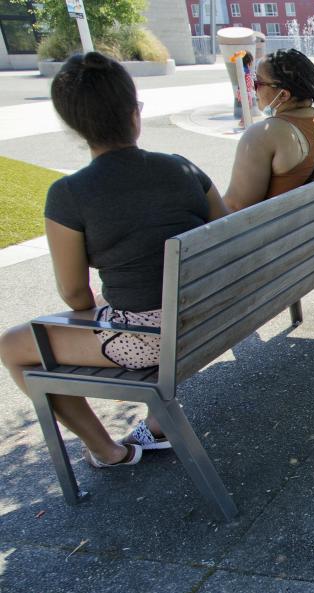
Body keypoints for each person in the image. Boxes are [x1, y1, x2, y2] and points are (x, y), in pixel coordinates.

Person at [0, 52, 227, 468]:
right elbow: (228, 237)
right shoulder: (183, 168)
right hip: (212, 316)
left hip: (150, 342)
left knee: (13, 347)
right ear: (133, 114)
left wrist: (105, 314)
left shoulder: (69, 194)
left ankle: (108, 452)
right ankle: (157, 424)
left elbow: (73, 293)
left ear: (73, 126)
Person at [223, 48, 314, 212]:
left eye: (257, 82)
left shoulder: (264, 135)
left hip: (281, 236)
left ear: (283, 95)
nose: (253, 88)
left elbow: (235, 206)